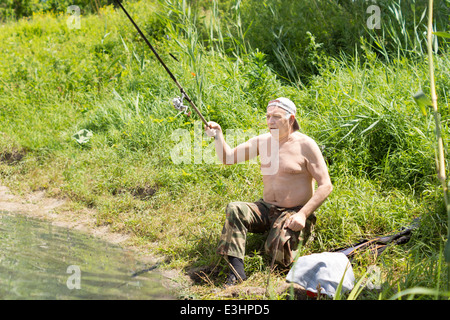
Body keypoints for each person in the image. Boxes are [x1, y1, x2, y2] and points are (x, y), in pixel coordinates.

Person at [205, 97, 333, 285]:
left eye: (276, 117)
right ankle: (236, 271)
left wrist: (303, 215)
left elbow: (326, 185)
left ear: (291, 119)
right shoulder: (262, 141)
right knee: (235, 209)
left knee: (279, 258)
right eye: (268, 116)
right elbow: (228, 158)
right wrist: (218, 135)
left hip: (293, 212)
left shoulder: (306, 145)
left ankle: (281, 237)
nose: (270, 122)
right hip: (265, 208)